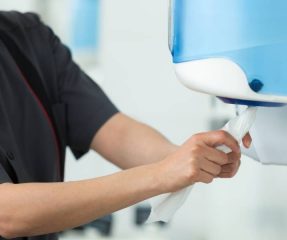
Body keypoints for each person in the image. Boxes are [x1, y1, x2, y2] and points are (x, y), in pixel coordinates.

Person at [0, 11, 251, 240]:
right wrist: (163, 174)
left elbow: (115, 131)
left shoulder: (29, 38)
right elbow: (7, 213)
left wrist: (201, 156)